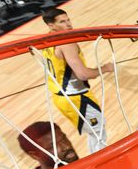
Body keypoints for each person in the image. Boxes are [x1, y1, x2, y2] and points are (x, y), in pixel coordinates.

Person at [41, 8, 112, 153]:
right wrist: (104, 68)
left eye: (68, 20)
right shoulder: (66, 43)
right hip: (75, 97)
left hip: (59, 96)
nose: (68, 24)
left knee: (94, 133)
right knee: (99, 133)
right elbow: (83, 74)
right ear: (51, 25)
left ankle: (97, 165)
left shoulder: (45, 40)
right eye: (62, 22)